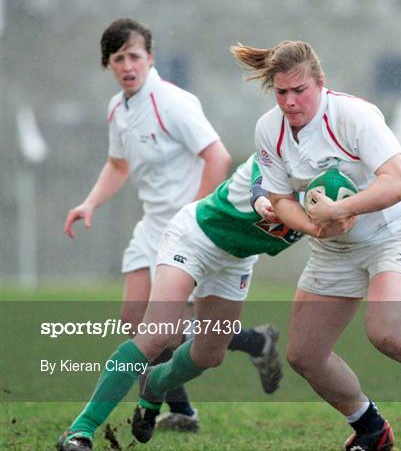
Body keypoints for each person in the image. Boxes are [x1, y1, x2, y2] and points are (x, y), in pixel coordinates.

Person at [231, 40, 401, 450]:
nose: (291, 101)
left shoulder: (353, 115)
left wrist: (341, 208)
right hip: (336, 248)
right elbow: (280, 198)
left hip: (393, 234)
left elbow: (397, 183)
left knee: (387, 331)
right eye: (282, 92)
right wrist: (317, 228)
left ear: (321, 83)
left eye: (300, 90)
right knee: (305, 356)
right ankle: (372, 430)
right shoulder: (269, 129)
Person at [62, 17, 280, 437]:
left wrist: (195, 217)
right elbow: (117, 164)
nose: (128, 65)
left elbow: (217, 158)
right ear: (108, 64)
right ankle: (213, 380)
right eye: (118, 58)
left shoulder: (172, 102)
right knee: (138, 323)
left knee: (167, 333)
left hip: (187, 231)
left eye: (135, 56)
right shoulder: (118, 108)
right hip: (151, 228)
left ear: (150, 58)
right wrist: (89, 202)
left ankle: (211, 379)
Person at [57, 153, 304, 450]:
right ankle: (79, 432)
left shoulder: (346, 186)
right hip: (196, 237)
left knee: (210, 355)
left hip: (236, 260)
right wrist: (273, 206)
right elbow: (259, 189)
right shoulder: (281, 148)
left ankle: (154, 385)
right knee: (157, 333)